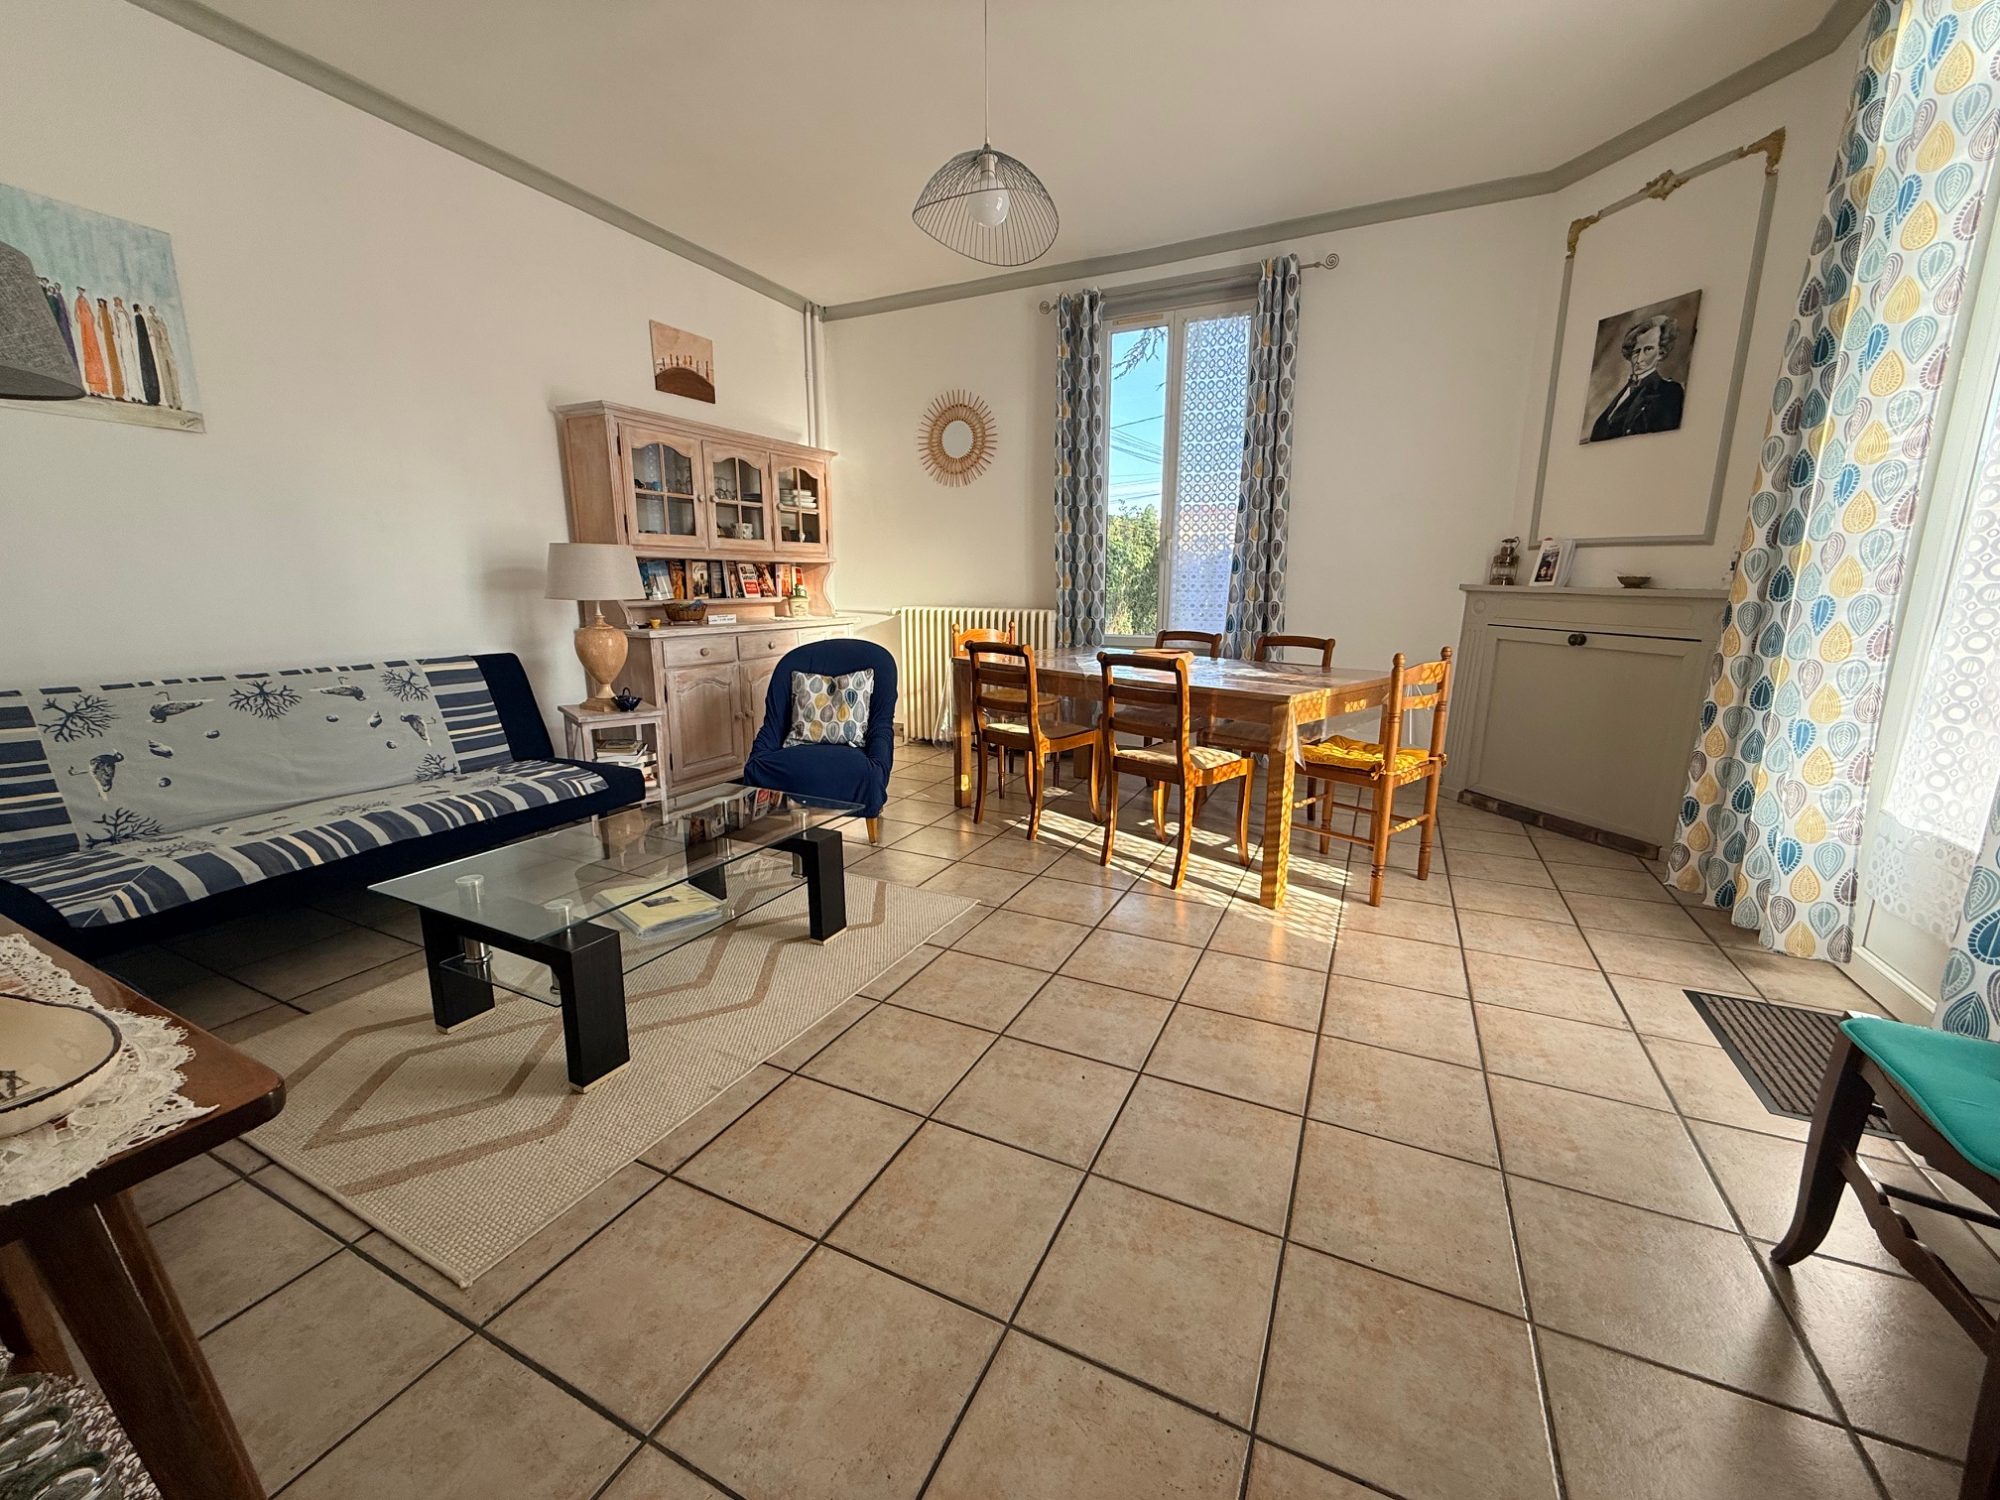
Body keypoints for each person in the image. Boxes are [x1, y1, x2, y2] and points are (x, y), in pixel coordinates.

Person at [1589, 313, 1686, 441]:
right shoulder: (1623, 393)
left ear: (1661, 353)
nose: (1639, 359)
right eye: (1636, 351)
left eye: (1648, 349)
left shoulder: (1669, 391)